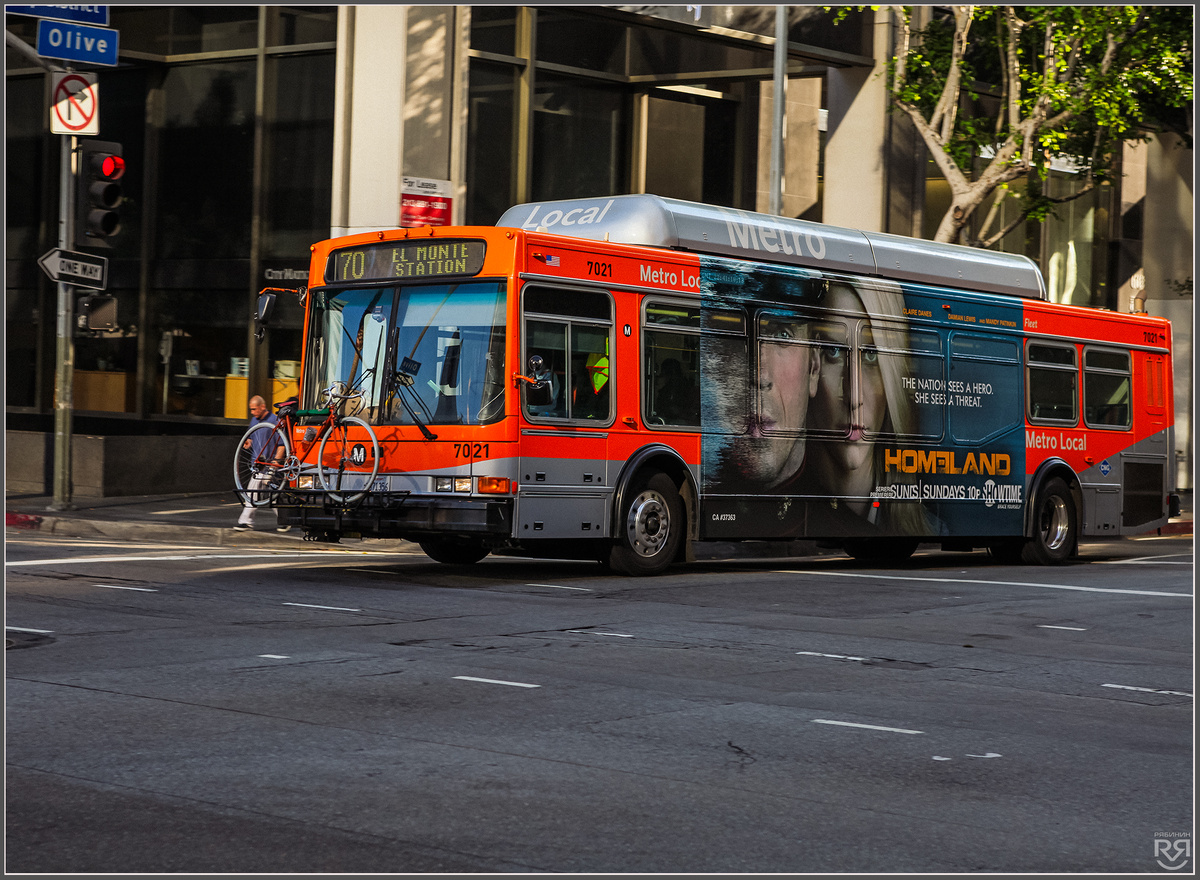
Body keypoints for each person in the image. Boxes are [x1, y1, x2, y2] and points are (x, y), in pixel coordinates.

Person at [803, 280, 937, 536]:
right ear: (811, 364)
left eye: (871, 355)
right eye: (833, 351)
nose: (854, 398)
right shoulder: (787, 508)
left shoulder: (931, 528)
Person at [235, 395, 290, 533]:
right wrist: (249, 442)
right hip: (258, 464)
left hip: (271, 464)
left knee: (269, 493)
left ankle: (248, 521)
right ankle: (248, 521)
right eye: (251, 410)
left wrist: (275, 464)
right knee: (258, 493)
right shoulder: (254, 420)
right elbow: (252, 436)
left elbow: (282, 445)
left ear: (262, 406)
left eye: (254, 409)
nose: (252, 412)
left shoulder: (275, 420)